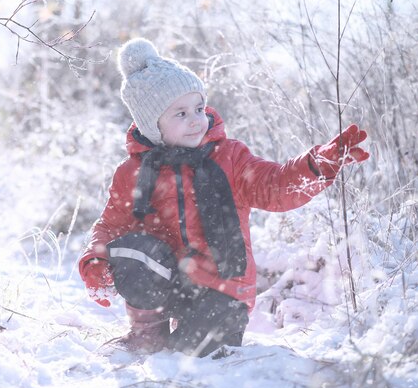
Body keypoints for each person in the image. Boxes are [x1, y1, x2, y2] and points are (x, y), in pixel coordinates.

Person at [78, 38, 369, 357]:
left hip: (222, 289)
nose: (195, 120)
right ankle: (149, 331)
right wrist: (95, 259)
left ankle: (194, 334)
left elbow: (275, 185)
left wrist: (317, 165)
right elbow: (111, 225)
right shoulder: (133, 171)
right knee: (132, 250)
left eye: (199, 109)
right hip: (169, 280)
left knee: (196, 352)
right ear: (152, 124)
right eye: (180, 113)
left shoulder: (229, 158)